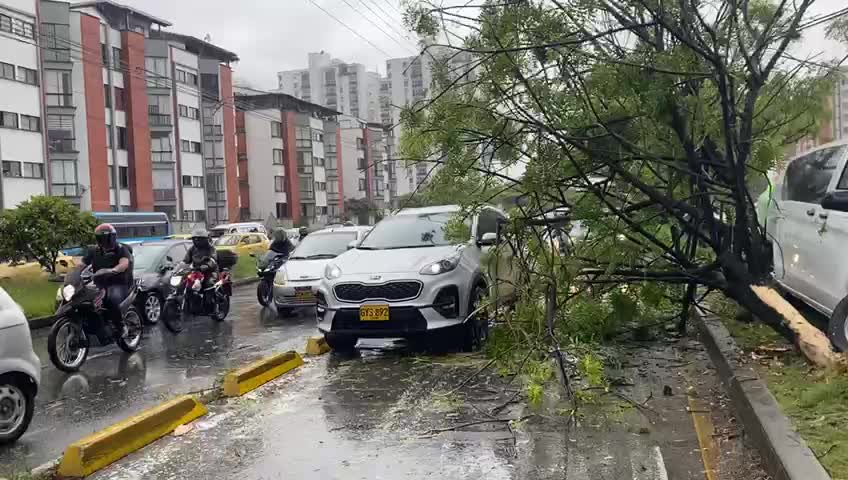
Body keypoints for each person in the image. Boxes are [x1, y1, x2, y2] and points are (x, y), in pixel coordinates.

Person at [80, 223, 133, 331]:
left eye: (106, 238)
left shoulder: (121, 249)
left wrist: (113, 270)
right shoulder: (94, 251)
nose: (104, 241)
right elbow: (81, 265)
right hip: (99, 283)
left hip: (118, 283)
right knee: (85, 300)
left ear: (112, 237)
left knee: (112, 299)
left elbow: (124, 263)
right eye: (102, 238)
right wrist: (72, 272)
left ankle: (121, 326)